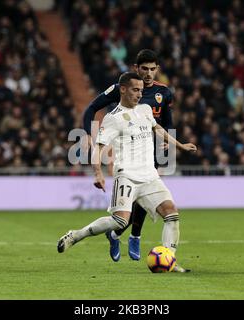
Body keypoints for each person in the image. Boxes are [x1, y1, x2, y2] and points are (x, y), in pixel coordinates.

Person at [58, 72, 197, 272]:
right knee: (120, 220)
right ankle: (76, 235)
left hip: (150, 176)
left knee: (172, 214)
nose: (140, 94)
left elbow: (158, 130)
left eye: (141, 90)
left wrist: (180, 145)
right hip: (127, 176)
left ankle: (169, 259)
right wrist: (98, 173)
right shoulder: (112, 119)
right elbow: (98, 148)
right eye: (135, 90)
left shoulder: (146, 110)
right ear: (122, 89)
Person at [83, 49, 174, 261]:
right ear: (136, 68)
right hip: (126, 147)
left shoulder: (164, 92)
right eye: (144, 69)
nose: (149, 73)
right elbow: (91, 108)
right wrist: (88, 133)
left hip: (149, 149)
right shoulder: (121, 88)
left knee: (143, 196)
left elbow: (168, 121)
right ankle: (120, 234)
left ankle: (133, 236)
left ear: (157, 69)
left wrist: (167, 142)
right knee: (130, 201)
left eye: (153, 69)